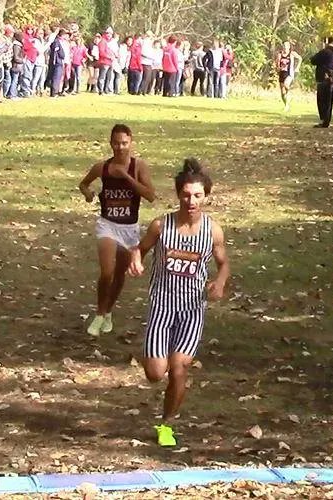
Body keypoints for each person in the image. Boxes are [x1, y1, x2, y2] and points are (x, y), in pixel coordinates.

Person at [128, 159, 230, 447]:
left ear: (206, 196)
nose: (191, 201)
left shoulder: (213, 231)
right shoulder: (162, 226)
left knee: (179, 367)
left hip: (192, 309)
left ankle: (167, 425)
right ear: (178, 195)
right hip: (162, 305)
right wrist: (136, 261)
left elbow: (223, 264)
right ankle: (156, 364)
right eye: (186, 195)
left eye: (197, 195)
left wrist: (219, 282)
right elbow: (140, 249)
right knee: (155, 374)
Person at [79, 124, 155, 337]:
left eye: (124, 143)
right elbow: (83, 184)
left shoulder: (138, 166)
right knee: (107, 272)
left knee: (119, 275)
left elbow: (150, 195)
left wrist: (127, 178)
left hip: (129, 228)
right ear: (110, 143)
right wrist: (88, 193)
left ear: (131, 143)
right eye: (116, 143)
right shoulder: (101, 167)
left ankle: (109, 311)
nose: (120, 147)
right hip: (108, 225)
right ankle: (100, 313)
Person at [310, 37, 333, 127]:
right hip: (332, 77)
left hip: (324, 77)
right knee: (329, 101)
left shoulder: (325, 52)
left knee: (322, 100)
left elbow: (313, 60)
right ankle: (326, 120)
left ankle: (324, 120)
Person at [276, 41, 302, 111]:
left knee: (286, 85)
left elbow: (300, 58)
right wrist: (278, 67)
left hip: (289, 73)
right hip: (282, 73)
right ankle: (286, 105)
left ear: (289, 47)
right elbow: (277, 63)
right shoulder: (280, 54)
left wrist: (297, 67)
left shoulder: (292, 54)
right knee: (282, 92)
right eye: (284, 46)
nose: (285, 47)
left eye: (286, 46)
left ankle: (289, 95)